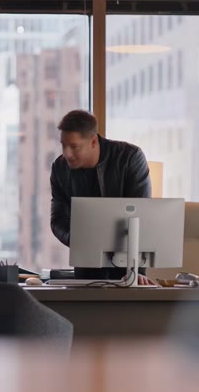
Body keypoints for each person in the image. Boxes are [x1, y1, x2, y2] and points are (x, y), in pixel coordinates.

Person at [49, 109, 156, 285]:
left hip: (129, 269)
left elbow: (141, 216)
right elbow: (58, 221)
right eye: (63, 145)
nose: (67, 153)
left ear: (93, 141)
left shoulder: (130, 157)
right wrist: (80, 240)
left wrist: (136, 271)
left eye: (74, 147)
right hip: (86, 268)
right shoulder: (59, 168)